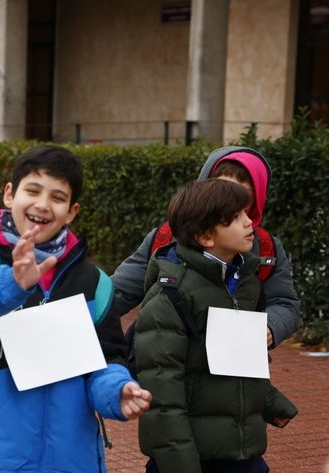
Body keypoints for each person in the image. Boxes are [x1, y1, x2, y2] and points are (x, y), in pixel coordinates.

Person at [0, 145, 152, 473]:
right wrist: (9, 284)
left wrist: (117, 391)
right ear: (10, 193)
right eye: (32, 190)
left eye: (57, 196)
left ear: (72, 211)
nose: (43, 204)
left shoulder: (94, 282)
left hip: (74, 471)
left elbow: (107, 361)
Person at [133, 179, 298, 473]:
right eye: (234, 218)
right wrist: (178, 464)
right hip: (187, 459)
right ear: (205, 237)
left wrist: (269, 402)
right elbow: (162, 383)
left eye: (246, 213)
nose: (249, 222)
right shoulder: (172, 292)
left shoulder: (245, 283)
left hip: (237, 453)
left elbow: (235, 360)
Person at [111, 146, 301, 349]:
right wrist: (82, 316)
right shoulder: (165, 239)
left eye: (241, 198)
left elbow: (285, 303)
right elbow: (118, 293)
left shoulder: (265, 249)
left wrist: (270, 328)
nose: (228, 201)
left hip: (233, 365)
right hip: (165, 360)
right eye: (220, 189)